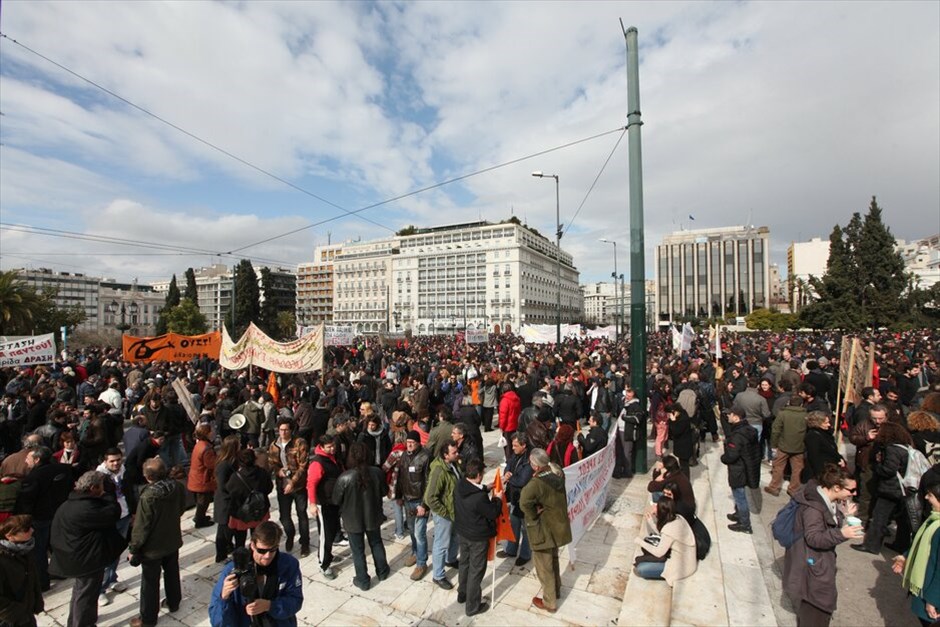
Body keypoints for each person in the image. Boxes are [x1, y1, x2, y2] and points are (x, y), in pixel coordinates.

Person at [783, 464, 863, 627]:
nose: (854, 494)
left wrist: (845, 515)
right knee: (817, 612)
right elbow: (814, 538)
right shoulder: (814, 508)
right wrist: (842, 534)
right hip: (813, 571)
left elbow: (826, 522)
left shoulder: (825, 499)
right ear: (835, 487)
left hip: (815, 567)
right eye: (851, 490)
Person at [49, 470, 128, 627]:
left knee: (81, 591)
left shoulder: (70, 503)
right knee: (87, 595)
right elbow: (112, 513)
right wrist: (109, 495)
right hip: (85, 559)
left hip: (76, 555)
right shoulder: (86, 508)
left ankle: (76, 622)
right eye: (101, 487)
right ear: (92, 488)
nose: (103, 490)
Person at [208, 521, 304, 627]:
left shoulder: (288, 565)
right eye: (262, 551)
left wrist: (270, 605)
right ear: (252, 545)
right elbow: (216, 620)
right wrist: (224, 596)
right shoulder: (232, 570)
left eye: (272, 550)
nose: (267, 556)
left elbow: (295, 600)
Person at [128, 457, 185, 627]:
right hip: (172, 539)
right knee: (172, 572)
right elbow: (181, 509)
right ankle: (174, 602)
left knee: (150, 583)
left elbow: (141, 527)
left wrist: (134, 548)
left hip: (153, 547)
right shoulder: (177, 486)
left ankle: (148, 619)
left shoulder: (149, 497)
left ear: (148, 477)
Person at [332, 441, 390, 591]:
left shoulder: (345, 477)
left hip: (353, 520)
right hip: (373, 515)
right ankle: (382, 571)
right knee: (376, 543)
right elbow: (384, 491)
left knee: (357, 550)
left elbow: (336, 499)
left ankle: (363, 580)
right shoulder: (377, 473)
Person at [520, 448, 572, 614]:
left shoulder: (536, 483)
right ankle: (556, 589)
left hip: (543, 528)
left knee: (544, 565)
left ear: (536, 466)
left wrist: (534, 514)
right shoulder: (558, 472)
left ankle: (549, 601)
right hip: (558, 524)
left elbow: (524, 502)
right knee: (554, 558)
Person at [853, 422, 918, 554]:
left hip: (890, 489)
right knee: (901, 520)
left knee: (879, 517)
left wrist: (877, 466)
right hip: (904, 489)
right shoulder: (906, 447)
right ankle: (901, 544)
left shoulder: (892, 449)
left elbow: (889, 470)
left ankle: (871, 545)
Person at [14, 445, 74, 591]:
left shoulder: (33, 477)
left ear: (37, 459)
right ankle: (61, 571)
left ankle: (42, 581)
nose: (26, 462)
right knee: (58, 544)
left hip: (40, 518)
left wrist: (23, 522)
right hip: (61, 513)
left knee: (39, 551)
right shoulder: (65, 469)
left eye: (28, 459)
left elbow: (26, 502)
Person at [454, 457, 501, 617]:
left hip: (463, 532)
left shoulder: (460, 485)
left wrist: (486, 488)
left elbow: (474, 490)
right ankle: (472, 606)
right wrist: (497, 499)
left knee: (464, 564)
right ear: (479, 475)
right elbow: (493, 512)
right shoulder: (479, 498)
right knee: (476, 570)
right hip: (477, 538)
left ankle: (462, 593)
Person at [892, 482, 940, 627]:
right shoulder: (933, 520)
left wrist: (932, 600)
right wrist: (905, 557)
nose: (926, 497)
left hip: (931, 592)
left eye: (930, 495)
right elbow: (920, 545)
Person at [97, 447, 133, 606]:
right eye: (112, 461)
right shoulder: (99, 477)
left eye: (118, 460)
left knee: (117, 551)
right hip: (108, 520)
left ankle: (112, 579)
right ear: (105, 461)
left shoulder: (124, 471)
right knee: (106, 555)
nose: (116, 463)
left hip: (124, 516)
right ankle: (100, 590)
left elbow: (130, 492)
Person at [269, 419, 310, 556]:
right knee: (284, 516)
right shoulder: (274, 445)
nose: (283, 432)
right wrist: (278, 471)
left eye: (286, 430)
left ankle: (305, 543)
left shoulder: (299, 443)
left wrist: (292, 482)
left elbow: (303, 465)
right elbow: (272, 463)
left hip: (298, 486)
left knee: (302, 515)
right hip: (282, 485)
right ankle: (290, 534)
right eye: (281, 430)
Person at [633, 496, 697, 585]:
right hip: (684, 559)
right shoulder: (678, 518)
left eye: (657, 506)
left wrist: (639, 541)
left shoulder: (669, 529)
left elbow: (659, 552)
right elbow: (665, 535)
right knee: (647, 549)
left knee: (640, 569)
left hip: (681, 567)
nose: (654, 506)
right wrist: (651, 522)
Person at [424, 439, 462, 590]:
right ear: (445, 455)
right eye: (454, 452)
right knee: (441, 543)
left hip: (454, 511)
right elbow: (430, 497)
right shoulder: (439, 471)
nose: (457, 454)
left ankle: (451, 559)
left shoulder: (453, 464)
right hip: (445, 514)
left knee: (454, 537)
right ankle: (438, 575)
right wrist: (444, 512)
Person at [396, 429, 432, 580]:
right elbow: (400, 476)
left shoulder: (425, 457)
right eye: (408, 443)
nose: (409, 445)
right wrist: (398, 495)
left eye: (412, 443)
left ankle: (421, 563)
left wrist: (424, 504)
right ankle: (415, 552)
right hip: (407, 499)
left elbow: (429, 482)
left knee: (420, 533)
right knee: (411, 530)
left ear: (418, 443)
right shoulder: (404, 455)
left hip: (419, 501)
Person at [307, 434, 343, 580]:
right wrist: (313, 503)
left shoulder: (333, 457)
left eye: (333, 445)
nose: (332, 449)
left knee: (332, 530)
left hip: (333, 502)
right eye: (329, 447)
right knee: (325, 534)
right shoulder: (318, 462)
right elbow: (311, 484)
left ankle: (328, 555)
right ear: (321, 447)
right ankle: (324, 564)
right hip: (324, 503)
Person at [722, 406, 760, 534]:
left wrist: (724, 456)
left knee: (740, 496)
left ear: (736, 417)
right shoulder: (749, 430)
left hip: (738, 469)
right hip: (746, 466)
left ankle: (745, 524)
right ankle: (738, 514)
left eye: (730, 415)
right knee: (739, 495)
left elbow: (731, 456)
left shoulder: (737, 435)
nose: (728, 416)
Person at [0, 514, 43, 626]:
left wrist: (36, 603)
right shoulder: (3, 559)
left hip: (26, 615)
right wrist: (18, 613)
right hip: (11, 619)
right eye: (26, 529)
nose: (32, 530)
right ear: (10, 536)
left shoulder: (24, 551)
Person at [226, 449, 273, 549]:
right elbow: (269, 488)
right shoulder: (262, 473)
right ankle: (255, 556)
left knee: (240, 539)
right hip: (259, 510)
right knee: (258, 537)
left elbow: (230, 492)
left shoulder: (236, 477)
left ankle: (241, 559)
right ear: (255, 459)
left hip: (241, 512)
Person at [498, 432, 533, 566]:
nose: (512, 448)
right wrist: (507, 472)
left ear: (523, 445)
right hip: (514, 497)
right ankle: (511, 550)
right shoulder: (515, 455)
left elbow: (522, 480)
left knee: (525, 529)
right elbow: (509, 464)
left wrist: (509, 478)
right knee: (514, 525)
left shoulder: (529, 460)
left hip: (524, 499)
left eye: (515, 445)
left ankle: (525, 554)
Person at [765, 395, 807, 497]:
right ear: (801, 404)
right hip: (799, 446)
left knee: (778, 466)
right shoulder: (805, 415)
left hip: (783, 445)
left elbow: (776, 430)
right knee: (797, 469)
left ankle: (774, 487)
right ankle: (794, 489)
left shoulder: (783, 414)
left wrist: (774, 444)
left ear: (789, 403)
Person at [213, 435, 240, 563]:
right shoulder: (223, 465)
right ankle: (221, 555)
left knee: (227, 529)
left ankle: (227, 548)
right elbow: (223, 485)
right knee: (223, 530)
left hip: (229, 500)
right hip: (224, 501)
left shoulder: (231, 461)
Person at [188, 422, 218, 529]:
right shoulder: (206, 448)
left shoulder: (200, 444)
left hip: (196, 477)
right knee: (203, 502)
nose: (213, 432)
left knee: (201, 501)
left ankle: (200, 516)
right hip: (203, 480)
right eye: (211, 431)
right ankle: (199, 520)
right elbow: (211, 464)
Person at [801, 411, 844, 484]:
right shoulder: (813, 436)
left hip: (830, 469)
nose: (829, 425)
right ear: (818, 423)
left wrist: (839, 458)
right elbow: (814, 457)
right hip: (822, 472)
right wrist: (821, 476)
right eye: (826, 423)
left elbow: (832, 449)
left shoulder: (826, 433)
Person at [614, 387, 643, 478]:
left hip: (627, 432)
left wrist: (625, 418)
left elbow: (638, 419)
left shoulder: (636, 406)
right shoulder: (624, 402)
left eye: (629, 396)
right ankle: (618, 471)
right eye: (626, 395)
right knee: (619, 451)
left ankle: (627, 472)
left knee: (626, 452)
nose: (627, 397)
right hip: (620, 430)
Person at [666, 403, 695, 475]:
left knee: (684, 466)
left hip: (684, 446)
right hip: (681, 445)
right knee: (682, 465)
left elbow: (676, 431)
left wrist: (673, 421)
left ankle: (685, 482)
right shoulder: (682, 415)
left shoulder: (683, 419)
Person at [498, 382, 521, 462]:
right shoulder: (516, 398)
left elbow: (503, 416)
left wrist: (501, 426)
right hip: (515, 424)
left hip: (507, 426)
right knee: (513, 444)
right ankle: (514, 459)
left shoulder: (505, 400)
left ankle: (509, 461)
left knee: (507, 446)